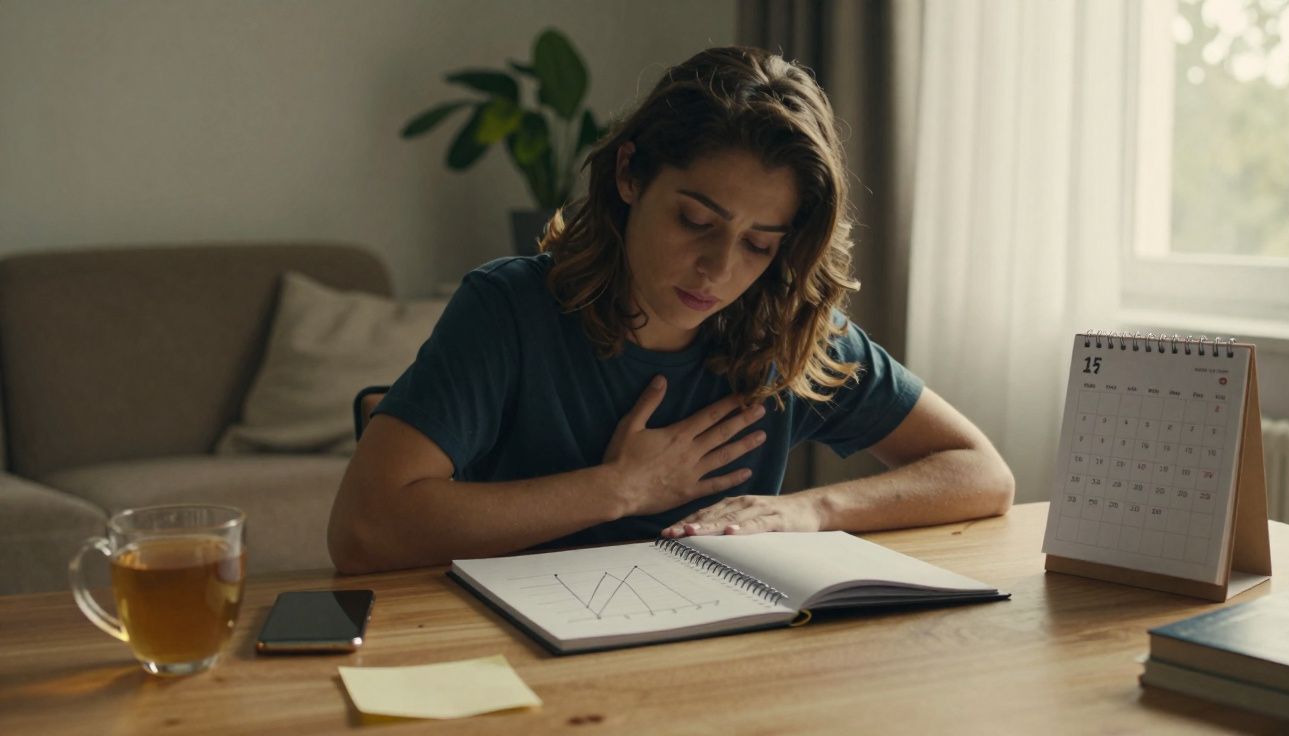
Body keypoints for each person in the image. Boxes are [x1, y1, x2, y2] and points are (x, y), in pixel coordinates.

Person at [328, 46, 1013, 574]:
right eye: (694, 220)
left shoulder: (789, 333)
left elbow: (981, 472)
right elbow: (363, 531)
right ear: (630, 174)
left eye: (759, 243)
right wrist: (621, 488)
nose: (720, 269)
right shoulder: (510, 310)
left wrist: (812, 509)